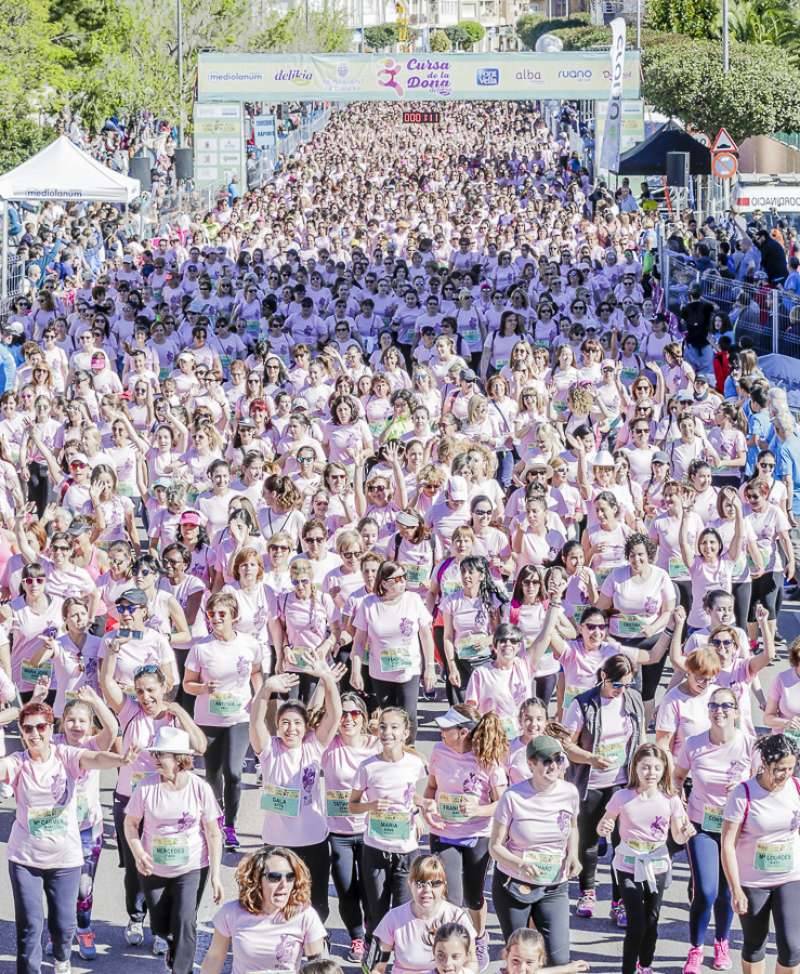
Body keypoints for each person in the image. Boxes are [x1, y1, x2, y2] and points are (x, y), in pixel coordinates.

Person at [0, 699, 137, 974]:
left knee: (63, 924)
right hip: (25, 857)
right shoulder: (18, 762)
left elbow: (95, 758)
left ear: (51, 728)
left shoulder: (66, 755)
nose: (35, 734)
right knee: (29, 926)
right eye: (28, 729)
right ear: (22, 731)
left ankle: (62, 959)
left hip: (65, 859)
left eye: (41, 727)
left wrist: (120, 760)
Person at [99, 660, 207, 949]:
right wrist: (110, 654)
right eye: (139, 692)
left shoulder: (173, 718)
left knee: (166, 865)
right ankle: (136, 917)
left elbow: (200, 745)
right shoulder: (131, 712)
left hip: (167, 802)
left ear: (164, 688)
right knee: (136, 866)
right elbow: (107, 683)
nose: (145, 698)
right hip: (130, 799)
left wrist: (180, 711)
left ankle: (162, 929)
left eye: (150, 690)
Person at [249, 654, 342, 923]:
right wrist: (265, 690)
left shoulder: (313, 746)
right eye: (285, 723)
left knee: (316, 903)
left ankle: (314, 945)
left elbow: (334, 714)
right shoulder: (268, 751)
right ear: (277, 726)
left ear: (305, 728)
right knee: (275, 900)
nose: (291, 729)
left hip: (313, 839)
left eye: (297, 723)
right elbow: (256, 721)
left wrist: (326, 678)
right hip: (277, 842)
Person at [124, 725, 224, 974]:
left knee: (185, 920)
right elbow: (131, 824)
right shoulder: (146, 787)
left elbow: (213, 832)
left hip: (191, 867)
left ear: (181, 760)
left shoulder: (200, 788)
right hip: (153, 868)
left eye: (162, 755)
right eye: (155, 754)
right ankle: (171, 945)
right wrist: (138, 853)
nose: (155, 759)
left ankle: (182, 969)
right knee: (160, 926)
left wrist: (215, 875)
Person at [675, 686, 755, 974]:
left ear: (736, 711)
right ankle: (695, 948)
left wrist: (744, 790)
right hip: (702, 825)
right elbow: (677, 777)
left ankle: (722, 942)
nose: (719, 710)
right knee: (705, 891)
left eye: (725, 705)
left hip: (735, 830)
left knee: (725, 893)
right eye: (713, 705)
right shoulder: (694, 743)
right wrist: (678, 808)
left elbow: (762, 786)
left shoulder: (748, 744)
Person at [422, 705, 508, 968]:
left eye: (446, 729)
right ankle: (450, 951)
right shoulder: (438, 752)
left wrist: (478, 809)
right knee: (451, 898)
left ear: (462, 732)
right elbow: (432, 787)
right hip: (443, 832)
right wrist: (427, 812)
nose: (440, 732)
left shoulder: (488, 759)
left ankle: (480, 937)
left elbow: (503, 801)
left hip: (477, 836)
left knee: (474, 897)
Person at [598, 743, 696, 974]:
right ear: (635, 768)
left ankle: (645, 965)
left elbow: (679, 838)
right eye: (645, 767)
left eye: (656, 768)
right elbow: (602, 825)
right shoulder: (622, 796)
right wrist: (604, 827)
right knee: (636, 923)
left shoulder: (670, 800)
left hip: (657, 864)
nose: (650, 773)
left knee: (652, 920)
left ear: (664, 770)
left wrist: (686, 832)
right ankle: (628, 970)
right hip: (627, 863)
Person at [563, 654, 645, 928]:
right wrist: (590, 758)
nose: (621, 690)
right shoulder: (583, 704)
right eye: (616, 685)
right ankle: (587, 892)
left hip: (622, 782)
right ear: (603, 677)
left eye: (626, 685)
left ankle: (618, 901)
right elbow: (567, 745)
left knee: (622, 843)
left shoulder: (632, 700)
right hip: (592, 782)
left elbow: (640, 737)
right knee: (589, 839)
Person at [489, 735, 580, 966]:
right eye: (546, 760)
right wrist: (520, 863)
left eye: (558, 760)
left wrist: (572, 855)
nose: (553, 766)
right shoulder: (513, 797)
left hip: (554, 885)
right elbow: (495, 847)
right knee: (519, 960)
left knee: (559, 960)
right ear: (531, 764)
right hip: (515, 885)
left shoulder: (569, 792)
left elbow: (572, 827)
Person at [183, 590, 263, 850]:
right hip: (208, 718)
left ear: (234, 617)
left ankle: (230, 824)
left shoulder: (249, 644)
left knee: (234, 772)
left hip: (239, 716)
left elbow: (257, 673)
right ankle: (215, 820)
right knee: (213, 774)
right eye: (211, 614)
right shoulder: (200, 648)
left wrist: (258, 697)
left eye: (221, 614)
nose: (215, 619)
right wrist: (203, 688)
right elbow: (187, 685)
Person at [348, 706, 430, 942]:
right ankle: (375, 962)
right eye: (383, 727)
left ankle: (404, 964)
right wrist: (370, 806)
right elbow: (352, 804)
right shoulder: (367, 766)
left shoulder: (416, 764)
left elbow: (416, 796)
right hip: (375, 847)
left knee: (405, 913)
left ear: (405, 732)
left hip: (406, 849)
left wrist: (422, 810)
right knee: (377, 914)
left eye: (394, 727)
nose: (387, 732)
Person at [722, 734, 800, 974]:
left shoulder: (796, 787)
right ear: (764, 764)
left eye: (790, 768)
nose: (785, 775)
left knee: (792, 947)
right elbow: (727, 844)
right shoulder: (743, 794)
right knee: (755, 944)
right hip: (753, 881)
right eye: (779, 769)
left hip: (790, 876)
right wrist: (735, 889)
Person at [199, 846, 327, 974]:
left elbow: (317, 966)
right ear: (256, 880)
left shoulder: (305, 915)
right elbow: (214, 958)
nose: (284, 884)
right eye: (274, 877)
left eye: (290, 877)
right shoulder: (230, 912)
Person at [322, 692, 381, 963]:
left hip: (370, 830)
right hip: (338, 832)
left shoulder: (376, 746)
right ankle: (356, 935)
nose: (348, 719)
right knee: (346, 888)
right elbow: (314, 717)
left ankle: (371, 936)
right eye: (342, 714)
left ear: (364, 717)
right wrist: (325, 681)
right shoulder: (328, 745)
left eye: (354, 713)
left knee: (371, 888)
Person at [351, 560, 436, 741]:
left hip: (408, 670)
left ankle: (409, 751)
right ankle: (390, 751)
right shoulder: (369, 604)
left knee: (408, 715)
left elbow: (426, 635)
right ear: (384, 582)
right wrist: (355, 670)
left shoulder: (412, 600)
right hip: (380, 672)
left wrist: (430, 667)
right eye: (396, 578)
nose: (402, 582)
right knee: (388, 717)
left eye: (404, 577)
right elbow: (359, 642)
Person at [369, 855, 478, 974]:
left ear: (444, 886)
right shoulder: (393, 918)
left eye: (435, 883)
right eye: (420, 883)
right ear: (410, 884)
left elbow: (472, 962)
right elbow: (376, 968)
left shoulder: (457, 917)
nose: (427, 890)